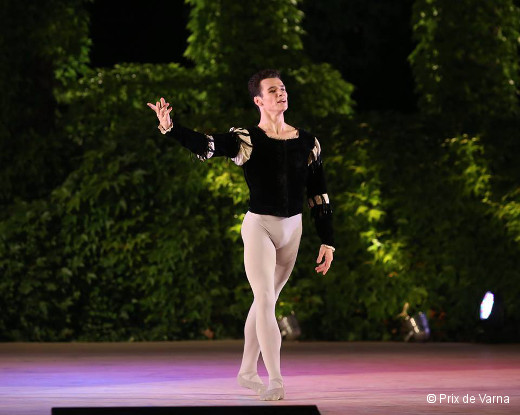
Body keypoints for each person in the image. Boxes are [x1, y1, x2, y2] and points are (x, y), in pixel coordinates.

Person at [147, 69, 335, 401]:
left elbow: (318, 194)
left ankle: (247, 371)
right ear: (259, 100)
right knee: (264, 299)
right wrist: (170, 128)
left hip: (293, 229)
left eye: (283, 88)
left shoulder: (308, 142)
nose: (281, 93)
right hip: (259, 225)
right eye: (273, 90)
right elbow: (207, 145)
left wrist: (327, 239)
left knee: (266, 302)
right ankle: (276, 379)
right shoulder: (246, 139)